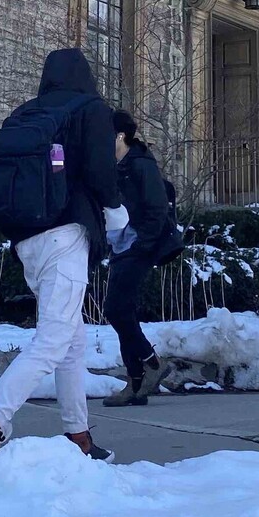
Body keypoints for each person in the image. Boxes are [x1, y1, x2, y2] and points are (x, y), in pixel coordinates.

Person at [0, 48, 116, 468]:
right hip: (66, 234)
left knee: (72, 340)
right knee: (54, 339)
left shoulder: (27, 112)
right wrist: (117, 215)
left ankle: (78, 436)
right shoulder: (90, 108)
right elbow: (100, 172)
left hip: (28, 239)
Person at [103, 112, 178, 406]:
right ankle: (135, 385)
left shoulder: (141, 165)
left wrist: (141, 242)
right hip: (120, 246)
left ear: (120, 136)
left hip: (138, 246)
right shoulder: (115, 165)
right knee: (124, 312)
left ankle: (151, 363)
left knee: (115, 309)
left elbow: (157, 209)